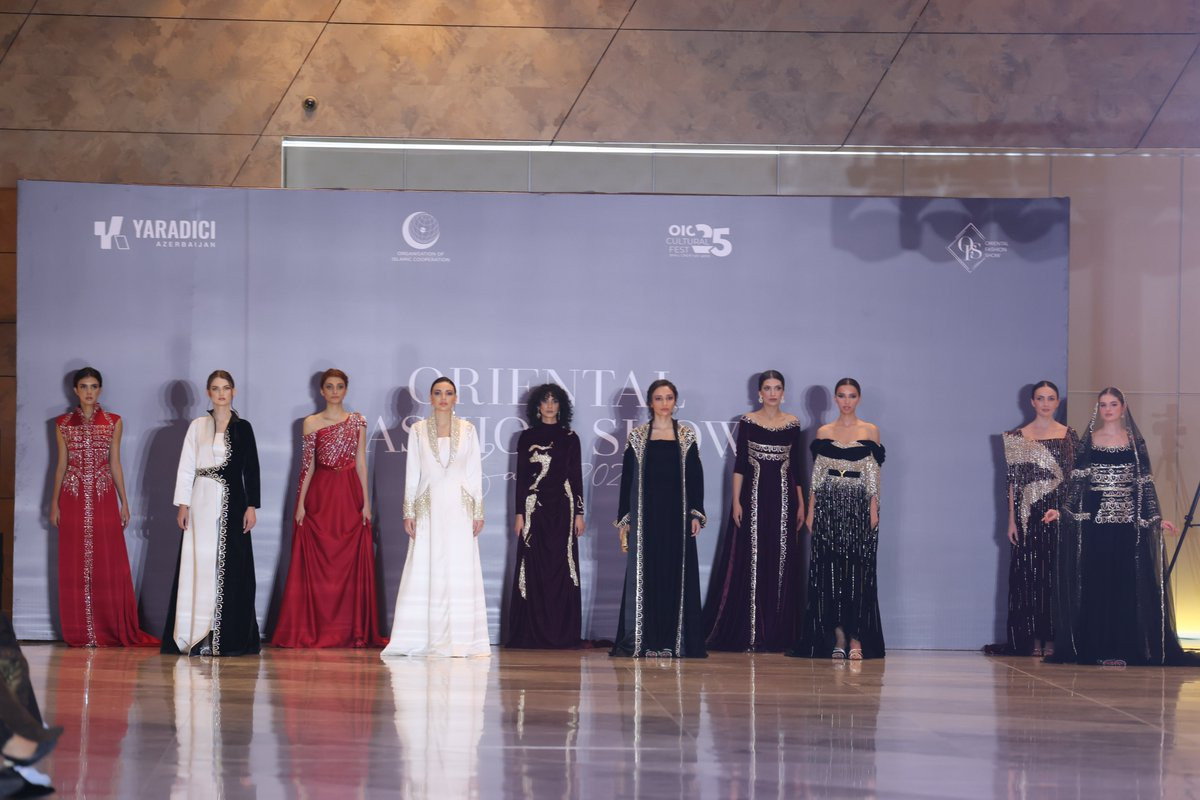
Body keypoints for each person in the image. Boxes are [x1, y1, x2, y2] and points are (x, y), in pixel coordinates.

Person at [1044, 387, 1195, 666]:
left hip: (1128, 528)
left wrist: (1156, 518)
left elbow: (1145, 484)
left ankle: (1127, 648)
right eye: (1103, 405)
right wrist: (1063, 512)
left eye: (1113, 404)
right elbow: (1078, 484)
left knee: (1127, 585)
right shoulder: (1089, 442)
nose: (1108, 409)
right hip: (1096, 526)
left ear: (1123, 408)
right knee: (1097, 583)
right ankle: (1099, 648)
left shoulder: (1135, 443)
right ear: (1098, 409)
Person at [273, 369, 385, 648]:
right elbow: (307, 467)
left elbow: (361, 463)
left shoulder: (357, 421)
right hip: (321, 495)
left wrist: (366, 504)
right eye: (330, 386)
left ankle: (349, 631)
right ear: (321, 391)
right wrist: (300, 504)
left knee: (347, 561)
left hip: (349, 494)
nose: (335, 391)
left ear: (346, 389)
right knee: (318, 562)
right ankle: (315, 629)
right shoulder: (310, 423)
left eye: (340, 386)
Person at [49, 367, 158, 647]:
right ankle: (81, 631)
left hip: (103, 497)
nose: (89, 391)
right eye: (84, 386)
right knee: (74, 562)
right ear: (75, 390)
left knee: (106, 560)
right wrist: (54, 504)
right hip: (72, 498)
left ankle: (106, 627)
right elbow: (61, 465)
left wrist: (124, 502)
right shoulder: (62, 424)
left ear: (100, 389)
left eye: (94, 386)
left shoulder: (113, 422)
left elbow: (115, 463)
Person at [382, 377, 489, 658]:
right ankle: (422, 637)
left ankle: (461, 639)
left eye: (448, 393)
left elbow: (474, 472)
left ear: (456, 398)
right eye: (438, 393)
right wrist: (409, 511)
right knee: (426, 564)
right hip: (428, 506)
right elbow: (413, 472)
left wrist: (478, 511)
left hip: (460, 507)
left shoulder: (468, 430)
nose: (443, 398)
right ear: (430, 398)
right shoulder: (418, 430)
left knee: (458, 567)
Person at [704, 370, 805, 652]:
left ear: (783, 392)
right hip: (754, 498)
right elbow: (740, 466)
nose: (772, 393)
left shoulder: (792, 424)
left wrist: (801, 503)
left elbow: (797, 467)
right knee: (753, 558)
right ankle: (751, 631)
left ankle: (777, 631)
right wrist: (736, 501)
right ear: (759, 393)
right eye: (767, 388)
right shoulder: (748, 422)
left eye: (777, 388)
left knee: (781, 558)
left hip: (784, 500)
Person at [163, 370, 261, 657]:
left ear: (233, 392)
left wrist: (251, 506)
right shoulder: (197, 426)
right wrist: (183, 504)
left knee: (229, 564)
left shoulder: (243, 428)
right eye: (216, 388)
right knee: (200, 563)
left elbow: (251, 469)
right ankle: (196, 633)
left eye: (226, 388)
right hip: (201, 501)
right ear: (208, 393)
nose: (221, 393)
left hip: (233, 503)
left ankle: (224, 635)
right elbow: (186, 466)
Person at [788, 378, 885, 661]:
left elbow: (874, 473)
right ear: (835, 399)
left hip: (858, 506)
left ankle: (856, 638)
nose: (846, 401)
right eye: (842, 396)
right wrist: (811, 511)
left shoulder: (870, 430)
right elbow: (817, 476)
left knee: (858, 573)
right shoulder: (824, 432)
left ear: (859, 398)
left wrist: (874, 507)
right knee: (829, 573)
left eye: (851, 396)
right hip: (828, 508)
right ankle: (839, 637)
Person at [611, 379, 707, 658]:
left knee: (674, 575)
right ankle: (647, 641)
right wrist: (626, 520)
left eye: (668, 398)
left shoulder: (686, 436)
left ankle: (671, 641)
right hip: (646, 518)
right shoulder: (638, 437)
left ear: (675, 401)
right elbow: (627, 479)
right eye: (658, 398)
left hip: (677, 517)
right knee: (648, 575)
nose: (664, 403)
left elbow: (695, 477)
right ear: (650, 403)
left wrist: (695, 513)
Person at [990, 380, 1078, 656]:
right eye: (1040, 398)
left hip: (1059, 514)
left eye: (1051, 398)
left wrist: (1068, 513)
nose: (1045, 403)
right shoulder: (1016, 437)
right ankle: (1029, 639)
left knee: (1055, 574)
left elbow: (1075, 480)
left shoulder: (1070, 435)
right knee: (1028, 576)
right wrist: (1011, 520)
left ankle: (1053, 639)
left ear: (1057, 402)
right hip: (1028, 514)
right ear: (1031, 402)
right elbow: (1012, 482)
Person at [504, 383, 586, 649]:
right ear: (537, 406)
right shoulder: (526, 437)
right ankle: (531, 633)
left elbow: (575, 477)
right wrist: (519, 513)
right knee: (533, 566)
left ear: (561, 406)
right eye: (545, 400)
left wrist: (580, 513)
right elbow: (521, 479)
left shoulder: (570, 437)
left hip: (563, 509)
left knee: (562, 567)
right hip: (533, 509)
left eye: (554, 400)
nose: (550, 405)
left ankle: (562, 633)